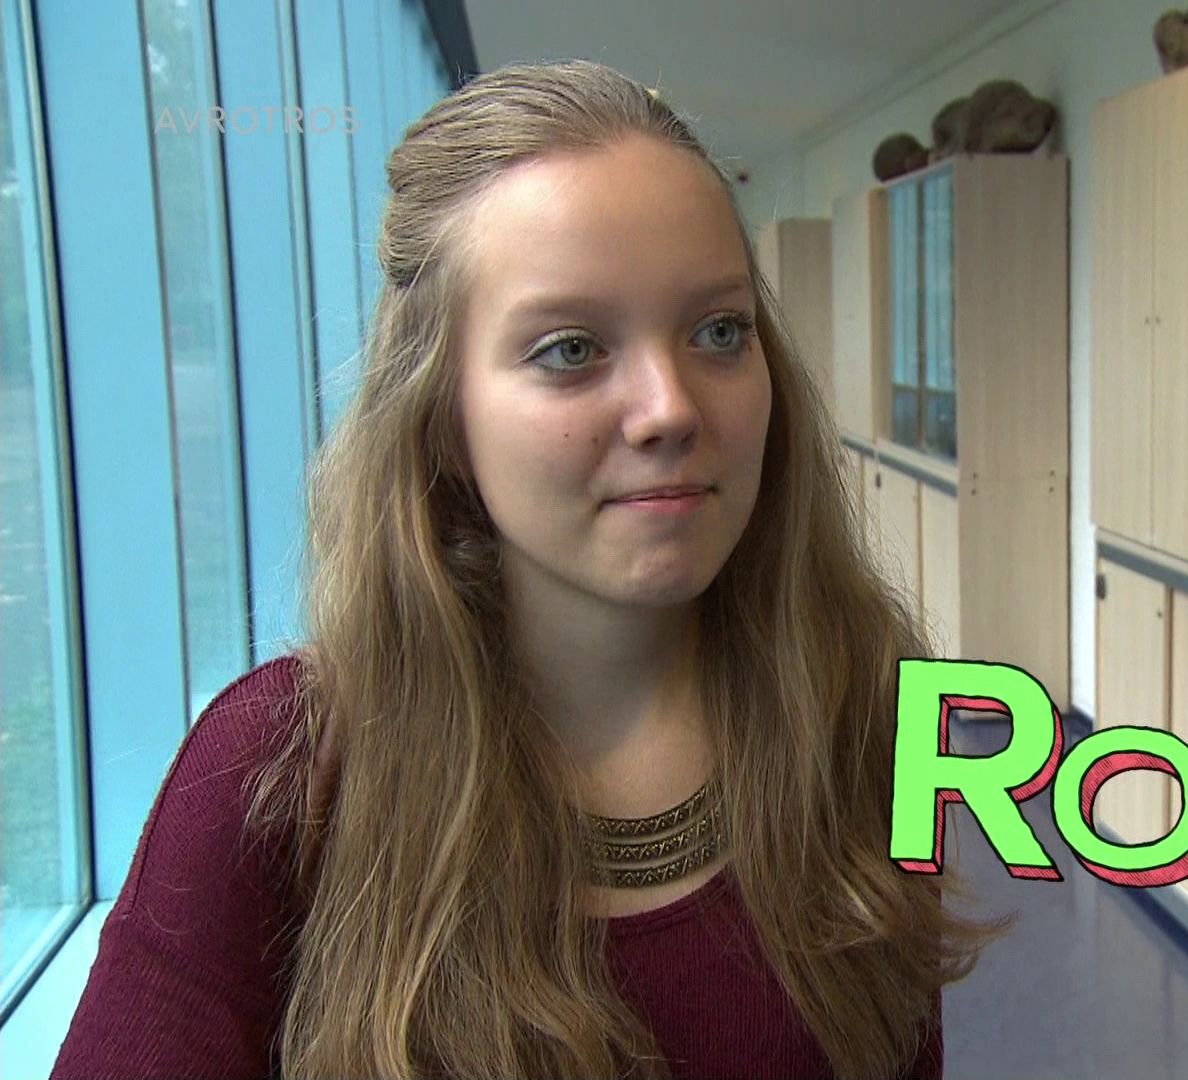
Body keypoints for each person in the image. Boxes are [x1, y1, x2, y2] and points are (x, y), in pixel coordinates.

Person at [51, 59, 1000, 1079]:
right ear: (442, 416)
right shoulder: (273, 773)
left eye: (719, 331)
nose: (672, 409)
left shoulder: (868, 706)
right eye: (570, 349)